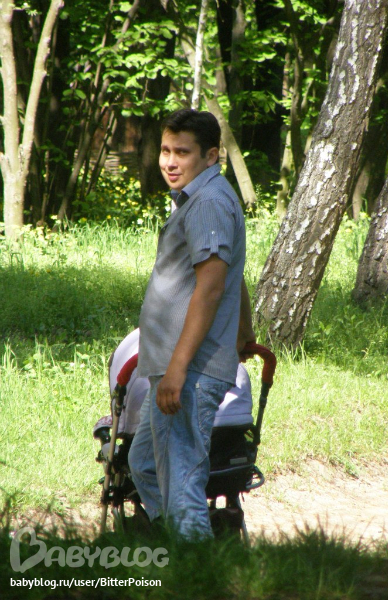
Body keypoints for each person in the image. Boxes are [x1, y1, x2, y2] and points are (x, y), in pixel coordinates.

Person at [128, 108, 255, 539]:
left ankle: (195, 564)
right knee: (145, 464)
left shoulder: (208, 203)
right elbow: (230, 274)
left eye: (182, 152)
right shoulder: (201, 198)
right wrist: (244, 329)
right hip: (177, 366)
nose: (169, 161)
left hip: (189, 370)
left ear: (211, 156)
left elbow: (212, 287)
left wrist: (178, 370)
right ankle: (178, 549)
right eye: (166, 150)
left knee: (181, 480)